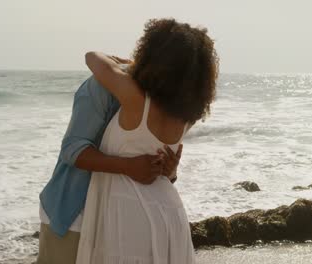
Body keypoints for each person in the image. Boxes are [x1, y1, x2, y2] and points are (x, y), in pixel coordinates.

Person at [76, 18, 219, 264]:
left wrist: (128, 63)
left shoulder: (135, 100)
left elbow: (92, 58)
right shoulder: (188, 117)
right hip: (169, 211)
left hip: (129, 211)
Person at [37, 61, 183, 263]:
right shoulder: (103, 86)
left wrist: (169, 170)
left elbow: (154, 164)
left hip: (122, 221)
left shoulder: (171, 98)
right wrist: (127, 166)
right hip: (75, 213)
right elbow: (72, 150)